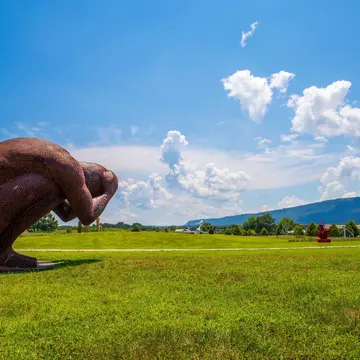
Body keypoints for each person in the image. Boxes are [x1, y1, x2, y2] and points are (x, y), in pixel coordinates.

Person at [0, 137, 118, 267]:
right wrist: (108, 192)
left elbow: (66, 213)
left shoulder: (54, 168)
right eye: (88, 194)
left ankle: (2, 251)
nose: (85, 197)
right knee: (52, 190)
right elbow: (87, 216)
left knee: (53, 192)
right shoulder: (69, 168)